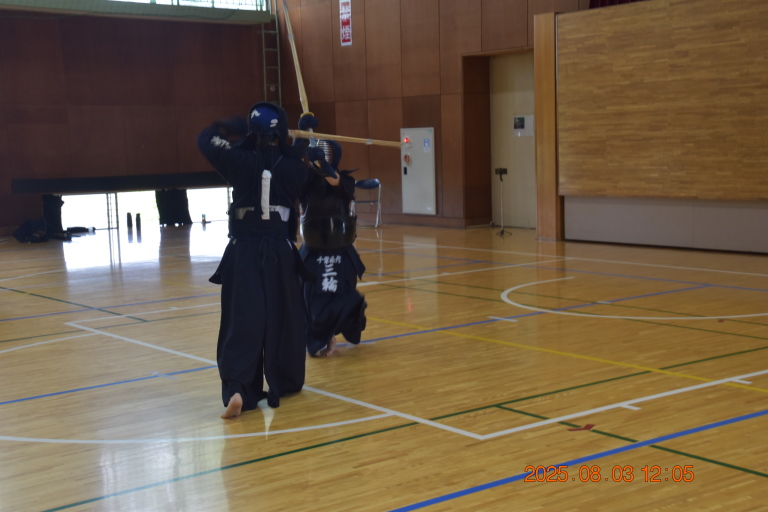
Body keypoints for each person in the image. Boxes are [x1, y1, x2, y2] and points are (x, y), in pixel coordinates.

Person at [197, 102, 321, 417]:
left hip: (243, 252)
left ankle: (238, 387)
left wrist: (231, 126)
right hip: (281, 251)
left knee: (242, 320)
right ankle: (284, 381)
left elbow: (206, 139)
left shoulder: (236, 160)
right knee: (284, 317)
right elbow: (308, 173)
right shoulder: (294, 167)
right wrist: (306, 137)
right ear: (282, 132)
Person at [300, 139, 367, 357]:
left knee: (344, 298)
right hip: (314, 253)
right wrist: (301, 145)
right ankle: (323, 338)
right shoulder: (306, 182)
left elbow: (334, 180)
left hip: (341, 253)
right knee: (314, 301)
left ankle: (342, 330)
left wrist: (322, 165)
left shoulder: (345, 180)